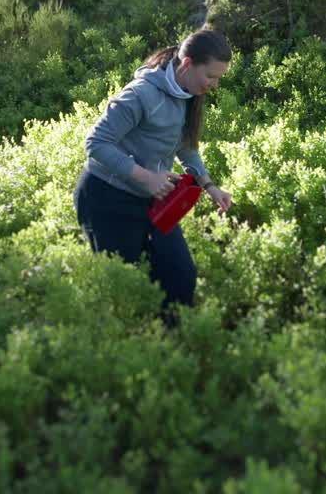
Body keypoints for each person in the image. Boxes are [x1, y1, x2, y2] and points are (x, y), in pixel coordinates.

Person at [74, 28, 234, 320]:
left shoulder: (188, 93)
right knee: (122, 290)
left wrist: (209, 186)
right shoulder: (141, 94)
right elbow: (95, 143)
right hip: (106, 200)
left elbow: (185, 147)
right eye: (210, 76)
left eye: (219, 77)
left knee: (180, 276)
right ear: (187, 64)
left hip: (152, 200)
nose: (214, 84)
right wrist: (146, 177)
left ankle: (168, 349)